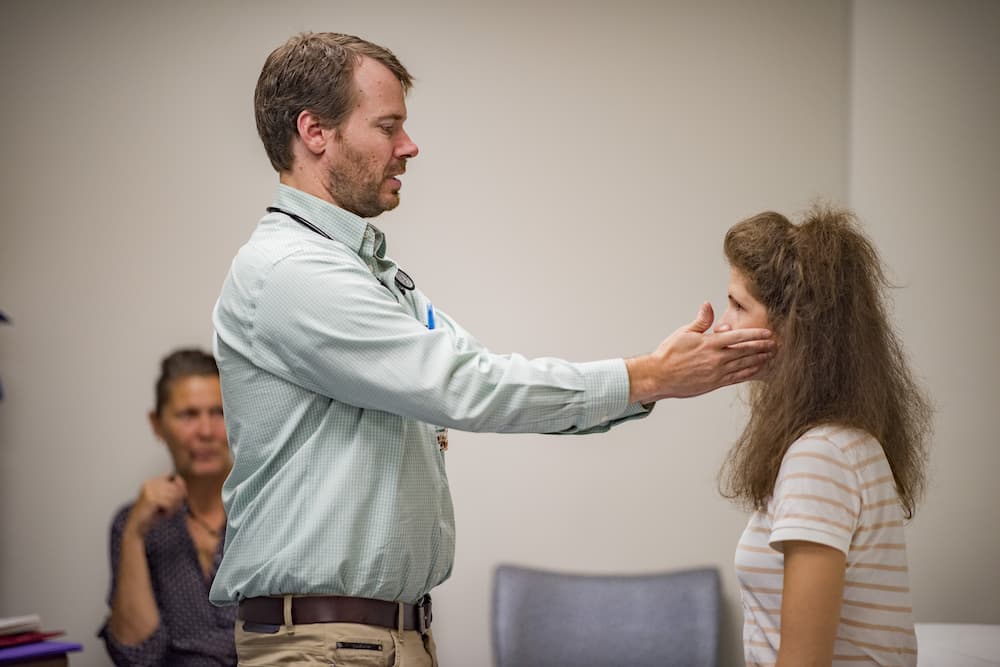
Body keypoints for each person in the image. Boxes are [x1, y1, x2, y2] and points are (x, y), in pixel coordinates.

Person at [210, 32, 775, 666]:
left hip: (378, 639)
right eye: (388, 126)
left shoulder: (366, 273)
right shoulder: (294, 273)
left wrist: (652, 378)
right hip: (328, 646)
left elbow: (483, 376)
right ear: (315, 131)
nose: (409, 146)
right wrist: (649, 377)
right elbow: (469, 387)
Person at [716, 206, 931, 666]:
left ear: (793, 327)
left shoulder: (819, 457)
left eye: (738, 305)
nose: (722, 325)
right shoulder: (840, 442)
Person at [99, 349, 236, 666]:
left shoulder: (266, 511)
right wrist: (135, 533)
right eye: (188, 415)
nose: (205, 431)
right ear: (157, 424)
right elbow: (136, 655)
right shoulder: (133, 523)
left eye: (218, 412)